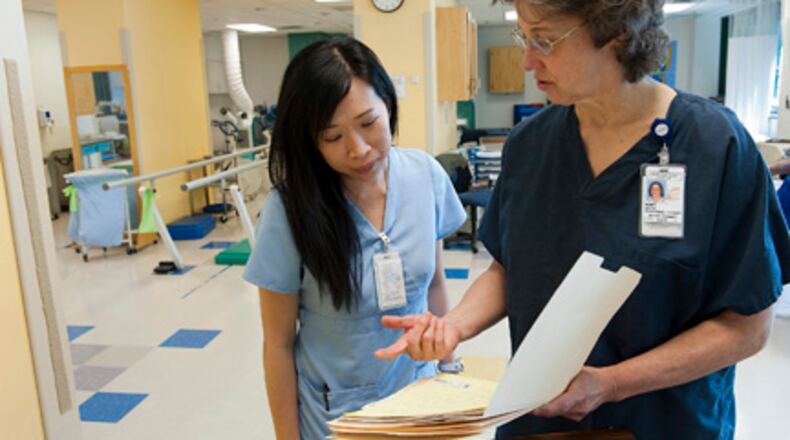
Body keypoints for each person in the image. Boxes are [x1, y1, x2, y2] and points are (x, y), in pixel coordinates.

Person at [375, 0, 790, 438]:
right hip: (540, 424)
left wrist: (610, 384)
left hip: (668, 425)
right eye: (525, 37)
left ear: (618, 34)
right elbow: (506, 270)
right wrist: (452, 326)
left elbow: (747, 329)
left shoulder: (716, 146)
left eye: (546, 40)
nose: (527, 60)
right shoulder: (530, 146)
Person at [242, 36, 466, 439]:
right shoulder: (289, 210)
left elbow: (433, 283)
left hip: (420, 398)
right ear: (310, 142)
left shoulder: (425, 176)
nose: (358, 149)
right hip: (336, 416)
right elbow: (277, 343)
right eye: (332, 137)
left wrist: (449, 369)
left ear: (388, 103)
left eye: (368, 123)